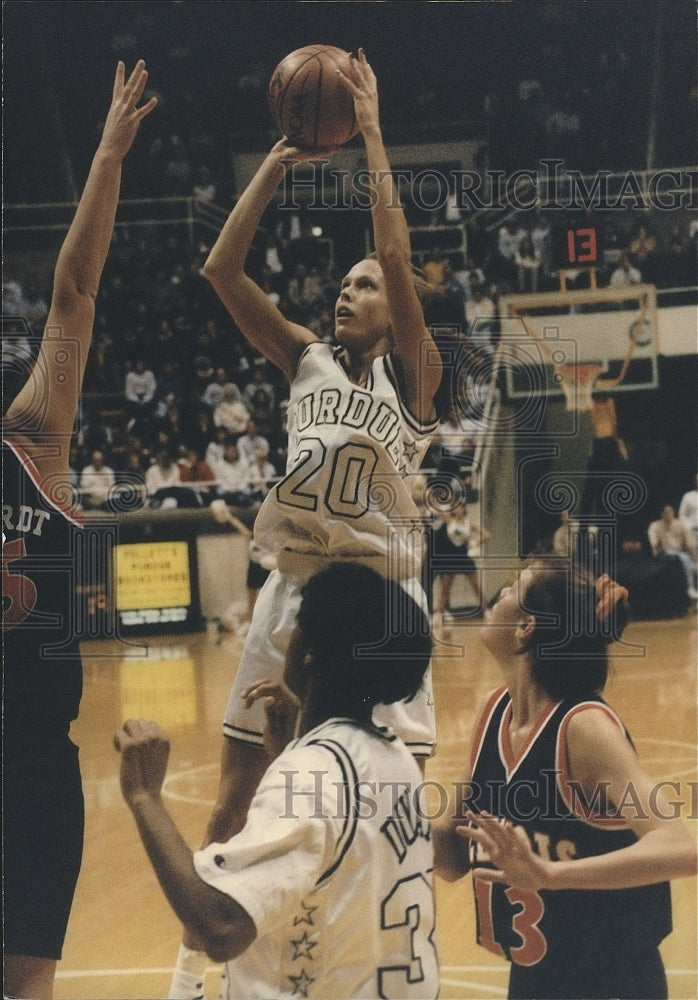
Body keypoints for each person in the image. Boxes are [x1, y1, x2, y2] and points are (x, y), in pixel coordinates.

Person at [168, 49, 442, 998]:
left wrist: (369, 131)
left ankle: (363, 963)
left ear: (396, 307)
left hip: (379, 601)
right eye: (345, 287)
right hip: (295, 588)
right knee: (235, 794)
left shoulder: (416, 374)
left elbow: (399, 254)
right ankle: (201, 971)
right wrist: (275, 166)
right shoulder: (304, 360)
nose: (348, 293)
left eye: (363, 286)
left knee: (384, 794)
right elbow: (220, 266)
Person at [2, 61, 155, 1000]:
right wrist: (103, 154)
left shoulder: (28, 442)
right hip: (33, 775)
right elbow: (74, 296)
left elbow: (71, 296)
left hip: (32, 770)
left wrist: (104, 156)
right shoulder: (32, 443)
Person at [116, 563, 438, 1000]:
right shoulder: (396, 757)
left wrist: (145, 797)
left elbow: (222, 926)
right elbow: (340, 860)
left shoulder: (312, 774)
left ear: (308, 649)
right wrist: (296, 746)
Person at [434, 562, 697, 1000]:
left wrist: (551, 874)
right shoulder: (492, 711)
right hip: (536, 976)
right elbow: (452, 859)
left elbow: (679, 847)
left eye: (510, 589)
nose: (497, 594)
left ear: (526, 627)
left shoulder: (583, 727)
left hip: (611, 979)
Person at [431, 499, 490, 624]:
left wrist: (476, 542)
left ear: (464, 509)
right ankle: (438, 615)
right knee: (445, 588)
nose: (457, 510)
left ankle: (486, 611)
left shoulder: (470, 524)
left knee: (475, 586)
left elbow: (486, 534)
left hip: (463, 557)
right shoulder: (449, 520)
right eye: (454, 507)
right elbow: (436, 505)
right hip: (451, 557)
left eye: (459, 507)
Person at [647, 503, 698, 601]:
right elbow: (652, 542)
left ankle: (693, 592)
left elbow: (690, 543)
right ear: (661, 514)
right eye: (665, 513)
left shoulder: (681, 525)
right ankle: (690, 587)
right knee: (683, 558)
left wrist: (695, 560)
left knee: (693, 566)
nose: (668, 515)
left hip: (681, 555)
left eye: (670, 512)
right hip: (664, 555)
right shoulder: (655, 525)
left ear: (673, 513)